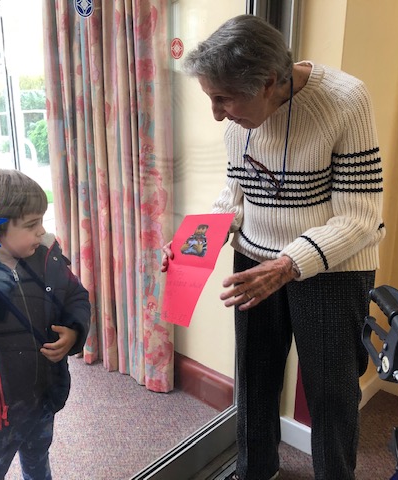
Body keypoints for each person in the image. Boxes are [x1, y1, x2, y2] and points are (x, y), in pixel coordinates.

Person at [161, 15, 385, 480]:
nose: (217, 113)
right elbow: (235, 195)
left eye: (223, 99)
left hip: (333, 268)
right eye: (210, 98)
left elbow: (360, 216)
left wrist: (287, 264)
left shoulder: (345, 100)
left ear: (268, 82)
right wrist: (192, 244)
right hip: (256, 258)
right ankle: (255, 470)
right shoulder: (238, 121)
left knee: (331, 392)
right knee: (255, 379)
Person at [0, 169, 90, 479]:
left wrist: (74, 330)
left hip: (43, 392)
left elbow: (76, 295)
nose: (41, 232)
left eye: (41, 222)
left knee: (38, 458)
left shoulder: (46, 256)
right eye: (31, 225)